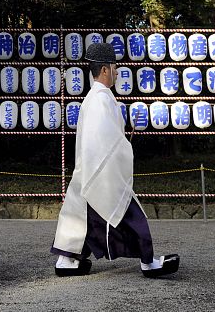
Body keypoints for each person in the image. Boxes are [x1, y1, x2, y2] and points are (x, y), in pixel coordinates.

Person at [51, 42, 179, 278]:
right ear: (105, 70)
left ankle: (65, 260)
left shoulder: (94, 97)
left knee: (82, 221)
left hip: (90, 171)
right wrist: (124, 147)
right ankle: (149, 262)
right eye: (115, 67)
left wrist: (119, 143)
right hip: (103, 172)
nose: (118, 72)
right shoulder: (100, 99)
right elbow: (106, 141)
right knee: (130, 217)